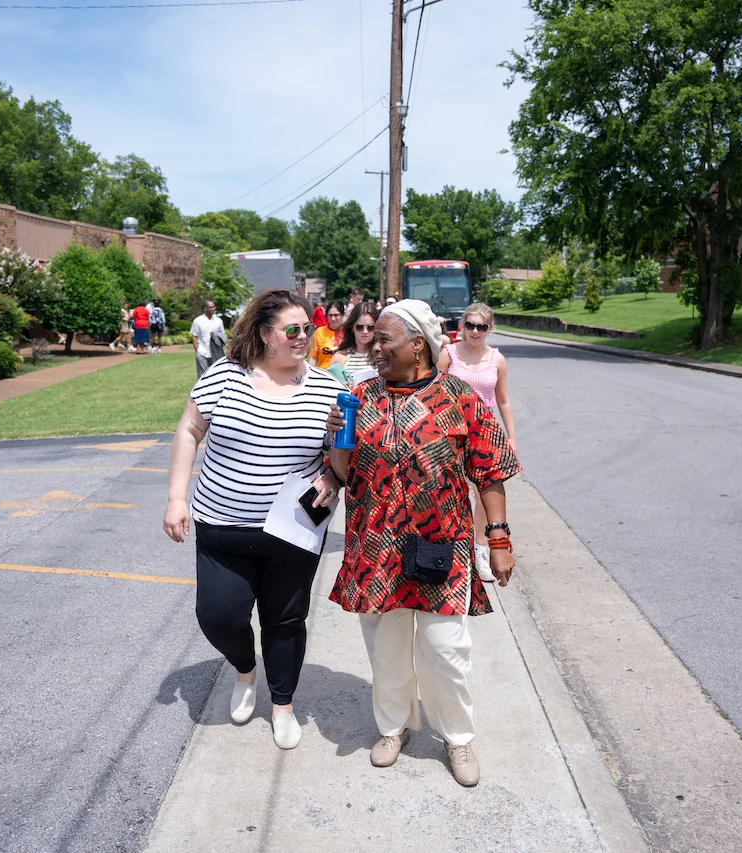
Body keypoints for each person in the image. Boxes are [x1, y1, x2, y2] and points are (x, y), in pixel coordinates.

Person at [322, 299, 521, 788]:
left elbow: (490, 474)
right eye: (374, 337)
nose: (375, 346)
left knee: (444, 649)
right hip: (377, 547)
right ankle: (394, 727)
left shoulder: (459, 397)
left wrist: (498, 538)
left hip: (442, 546)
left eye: (385, 338)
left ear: (418, 345)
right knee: (385, 649)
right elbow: (345, 476)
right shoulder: (360, 395)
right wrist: (338, 440)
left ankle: (456, 736)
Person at [163, 290, 343, 750]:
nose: (304, 337)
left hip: (293, 530)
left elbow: (340, 464)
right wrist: (176, 498)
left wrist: (334, 472)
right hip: (222, 523)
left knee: (285, 620)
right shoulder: (225, 376)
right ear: (264, 334)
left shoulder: (328, 389)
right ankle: (245, 671)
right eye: (293, 330)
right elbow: (189, 429)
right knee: (218, 615)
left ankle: (282, 705)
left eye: (308, 328)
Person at [437, 303, 518, 581]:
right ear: (462, 326)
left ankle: (481, 549)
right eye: (470, 325)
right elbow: (433, 392)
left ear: (489, 329)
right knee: (451, 489)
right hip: (450, 432)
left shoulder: (497, 359)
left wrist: (511, 437)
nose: (474, 331)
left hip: (484, 432)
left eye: (481, 326)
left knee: (485, 492)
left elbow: (504, 401)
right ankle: (453, 544)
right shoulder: (448, 355)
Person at [329, 302, 377, 383]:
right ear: (352, 328)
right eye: (359, 327)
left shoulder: (383, 356)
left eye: (370, 327)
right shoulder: (339, 357)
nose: (365, 331)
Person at [191, 300, 226, 378]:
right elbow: (194, 336)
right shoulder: (198, 321)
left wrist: (215, 336)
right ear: (205, 309)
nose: (213, 309)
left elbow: (223, 335)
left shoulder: (218, 321)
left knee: (216, 375)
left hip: (215, 353)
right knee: (202, 376)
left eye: (214, 307)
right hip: (202, 352)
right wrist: (197, 350)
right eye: (211, 307)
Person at [309, 300, 345, 369]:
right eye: (330, 315)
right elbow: (313, 357)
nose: (333, 318)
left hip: (343, 376)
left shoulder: (348, 332)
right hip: (323, 375)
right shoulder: (320, 332)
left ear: (343, 315)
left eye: (336, 315)